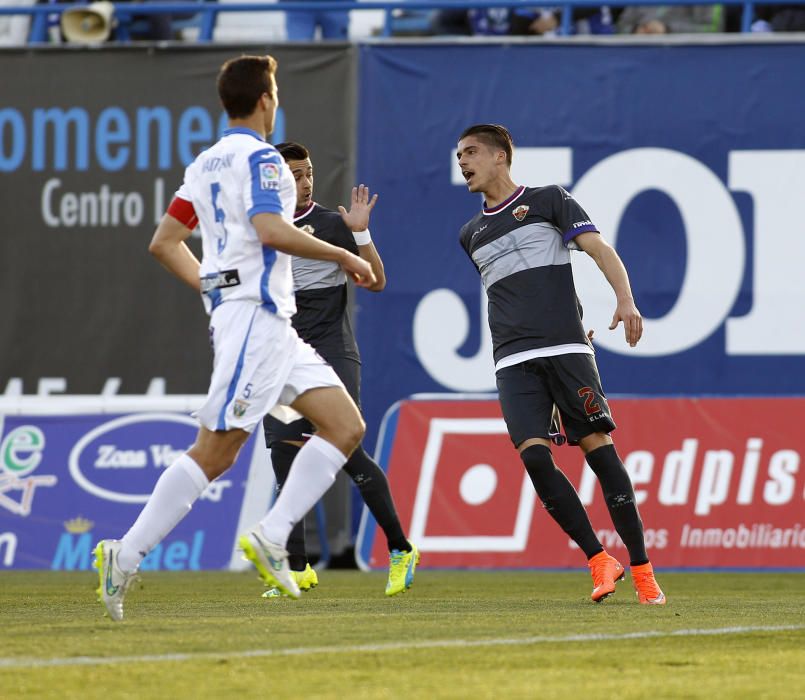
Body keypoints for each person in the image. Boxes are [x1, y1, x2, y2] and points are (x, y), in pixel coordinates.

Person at [93, 54, 375, 621]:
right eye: (275, 91)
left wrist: (212, 286)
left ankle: (272, 535)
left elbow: (164, 241)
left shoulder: (205, 164)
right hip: (254, 319)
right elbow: (272, 229)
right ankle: (124, 555)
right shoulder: (265, 159)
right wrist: (345, 251)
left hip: (265, 321)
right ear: (267, 99)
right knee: (216, 451)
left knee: (346, 426)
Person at [455, 124, 665, 605]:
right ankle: (598, 558)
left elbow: (598, 249)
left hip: (566, 352)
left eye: (470, 152)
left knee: (599, 453)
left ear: (500, 157)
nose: (462, 162)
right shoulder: (470, 234)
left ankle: (642, 567)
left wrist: (625, 300)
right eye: (458, 155)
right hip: (512, 360)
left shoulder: (549, 200)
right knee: (533, 456)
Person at [262, 142, 419, 598]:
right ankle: (297, 568)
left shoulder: (333, 225)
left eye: (308, 172)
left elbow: (377, 281)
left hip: (332, 352)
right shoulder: (263, 229)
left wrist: (362, 235)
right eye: (294, 174)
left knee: (346, 449)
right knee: (285, 455)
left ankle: (399, 548)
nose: (305, 181)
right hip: (283, 356)